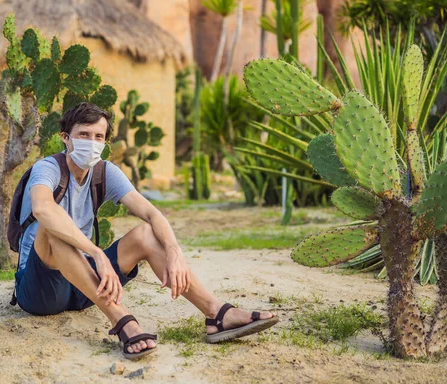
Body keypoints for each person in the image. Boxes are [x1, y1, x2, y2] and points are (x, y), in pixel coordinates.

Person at [14, 102, 278, 360]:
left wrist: (174, 252)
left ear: (105, 143)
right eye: (84, 134)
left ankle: (217, 314)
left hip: (83, 285)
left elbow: (152, 213)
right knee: (51, 229)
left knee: (146, 234)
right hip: (41, 291)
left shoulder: (104, 172)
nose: (91, 142)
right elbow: (42, 208)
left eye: (98, 137)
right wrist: (97, 254)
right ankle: (124, 323)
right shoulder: (47, 168)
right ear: (66, 138)